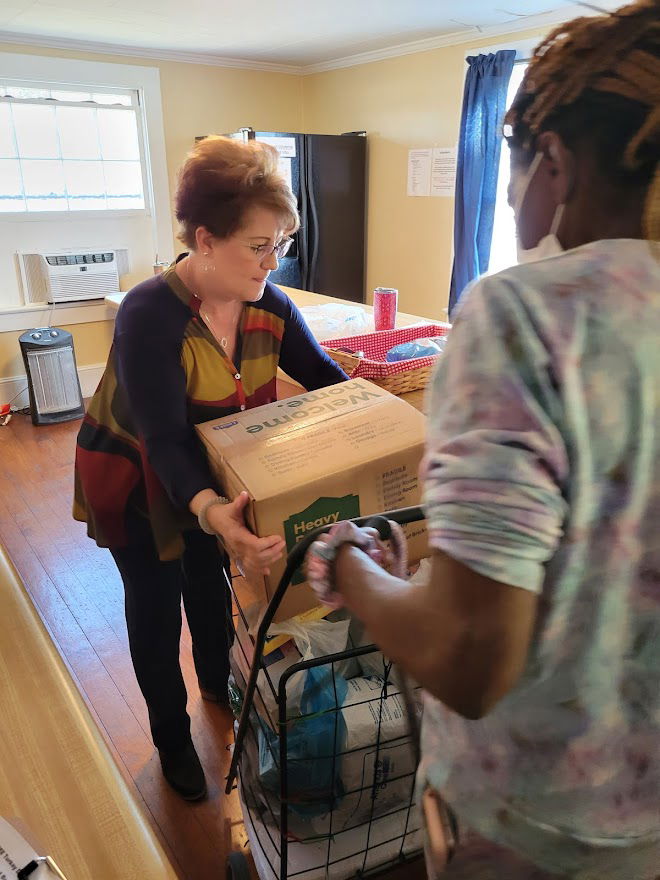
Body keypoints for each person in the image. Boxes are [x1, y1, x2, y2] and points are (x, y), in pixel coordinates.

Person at [305, 2, 659, 877]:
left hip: (543, 823)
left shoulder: (524, 313)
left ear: (556, 163)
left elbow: (470, 655)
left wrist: (350, 564)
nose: (507, 198)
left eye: (511, 172)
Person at [73, 136, 347, 801]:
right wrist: (208, 509)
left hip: (208, 482)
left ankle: (219, 689)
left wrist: (377, 422)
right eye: (259, 246)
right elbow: (164, 439)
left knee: (209, 587)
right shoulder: (149, 313)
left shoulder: (270, 305)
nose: (273, 261)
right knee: (156, 608)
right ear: (205, 239)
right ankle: (171, 735)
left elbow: (326, 381)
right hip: (137, 482)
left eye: (280, 243)